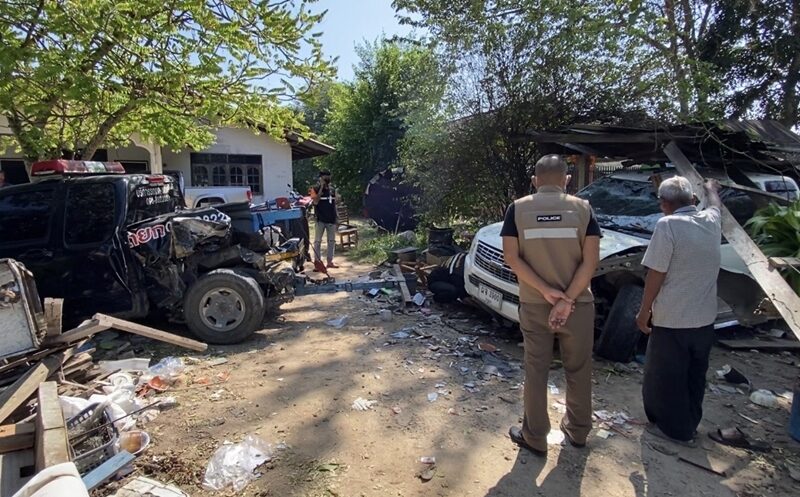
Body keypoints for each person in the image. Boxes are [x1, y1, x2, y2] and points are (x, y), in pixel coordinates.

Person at [501, 155, 601, 456]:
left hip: (535, 303)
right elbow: (591, 261)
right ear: (566, 180)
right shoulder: (583, 209)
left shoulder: (517, 209)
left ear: (535, 180)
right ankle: (579, 431)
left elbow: (512, 257)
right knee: (579, 368)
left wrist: (547, 292)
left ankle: (534, 436)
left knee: (536, 369)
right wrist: (567, 299)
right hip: (578, 305)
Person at [636, 177, 722, 445]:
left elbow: (656, 273)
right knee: (694, 375)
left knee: (665, 376)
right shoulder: (710, 220)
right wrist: (711, 190)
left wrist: (643, 310)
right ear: (692, 200)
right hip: (705, 320)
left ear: (664, 204)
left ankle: (675, 430)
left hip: (673, 319)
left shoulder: (667, 225)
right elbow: (716, 205)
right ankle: (689, 424)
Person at [310, 170, 341, 269]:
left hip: (331, 219)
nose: (327, 180)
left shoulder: (332, 190)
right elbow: (315, 201)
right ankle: (318, 262)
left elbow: (336, 203)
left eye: (328, 177)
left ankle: (330, 261)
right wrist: (321, 188)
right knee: (318, 241)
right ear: (320, 178)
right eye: (325, 178)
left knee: (331, 241)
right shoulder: (314, 189)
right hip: (320, 219)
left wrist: (337, 217)